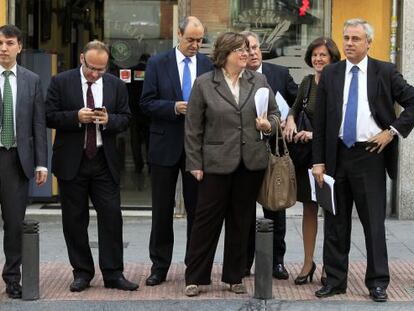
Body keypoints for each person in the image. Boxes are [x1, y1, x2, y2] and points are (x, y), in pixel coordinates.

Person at [312, 19, 414, 302]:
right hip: (336, 156)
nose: (349, 43)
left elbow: (413, 101)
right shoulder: (331, 73)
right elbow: (319, 122)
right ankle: (334, 280)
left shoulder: (385, 71)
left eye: (356, 38)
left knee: (373, 223)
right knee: (335, 222)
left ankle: (378, 282)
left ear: (369, 42)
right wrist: (318, 161)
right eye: (346, 38)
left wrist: (391, 132)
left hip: (370, 156)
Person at [184, 32, 279, 297]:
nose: (246, 53)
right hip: (214, 163)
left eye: (247, 49)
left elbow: (275, 114)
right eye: (240, 50)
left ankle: (234, 276)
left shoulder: (258, 80)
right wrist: (195, 163)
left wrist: (268, 124)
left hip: (250, 164)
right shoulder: (204, 84)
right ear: (225, 54)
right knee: (206, 222)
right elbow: (193, 128)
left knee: (242, 221)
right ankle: (195, 277)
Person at [45, 40, 138, 292]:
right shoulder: (60, 82)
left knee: (111, 217)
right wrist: (76, 116)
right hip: (71, 162)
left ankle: (113, 273)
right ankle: (82, 273)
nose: (95, 74)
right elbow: (48, 115)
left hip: (103, 160)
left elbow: (127, 118)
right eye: (91, 68)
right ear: (81, 60)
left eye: (101, 69)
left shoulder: (116, 85)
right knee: (74, 220)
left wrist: (109, 120)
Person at [140, 16, 213, 286]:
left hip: (197, 148)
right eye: (190, 39)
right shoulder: (158, 63)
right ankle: (159, 266)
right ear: (178, 34)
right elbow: (146, 103)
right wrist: (174, 107)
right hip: (164, 145)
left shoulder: (208, 65)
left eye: (200, 40)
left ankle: (193, 267)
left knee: (198, 211)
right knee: (161, 210)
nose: (195, 44)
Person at [283, 37, 340, 285]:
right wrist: (292, 120)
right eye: (315, 55)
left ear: (333, 58)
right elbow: (294, 108)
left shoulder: (340, 83)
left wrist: (314, 134)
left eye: (323, 55)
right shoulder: (307, 82)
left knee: (331, 212)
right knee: (308, 208)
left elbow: (340, 125)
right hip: (307, 158)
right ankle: (308, 263)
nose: (318, 59)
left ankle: (330, 265)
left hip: (332, 156)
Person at [242, 30, 298, 280]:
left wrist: (292, 120)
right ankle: (244, 262)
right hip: (244, 153)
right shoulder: (235, 77)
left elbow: (298, 102)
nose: (251, 52)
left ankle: (277, 261)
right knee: (243, 211)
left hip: (274, 153)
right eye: (246, 48)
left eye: (254, 47)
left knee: (276, 209)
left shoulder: (279, 74)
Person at [0, 24, 48, 299]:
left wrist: (41, 163)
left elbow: (38, 124)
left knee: (14, 223)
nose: (3, 48)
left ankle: (12, 278)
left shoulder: (32, 80)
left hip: (16, 160)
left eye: (8, 43)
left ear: (19, 46)